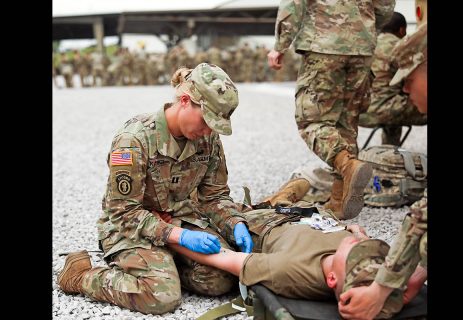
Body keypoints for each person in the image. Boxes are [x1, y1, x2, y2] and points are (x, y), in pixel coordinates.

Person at [56, 63, 254, 315]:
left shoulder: (207, 138)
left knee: (219, 281)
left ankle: (164, 265)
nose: (208, 131)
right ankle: (81, 276)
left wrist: (234, 223)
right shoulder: (133, 141)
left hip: (180, 222)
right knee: (161, 298)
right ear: (184, 100)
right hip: (131, 229)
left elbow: (213, 195)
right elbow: (123, 213)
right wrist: (177, 236)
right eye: (206, 121)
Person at [267, 0, 395, 220]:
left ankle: (348, 165)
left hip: (323, 44)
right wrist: (363, 25)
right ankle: (339, 200)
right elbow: (386, 6)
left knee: (311, 120)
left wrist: (280, 45)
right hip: (362, 47)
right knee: (347, 122)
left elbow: (294, 4)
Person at [168, 204, 409, 319]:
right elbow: (409, 271)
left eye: (357, 254)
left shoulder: (289, 270)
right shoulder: (358, 254)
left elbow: (224, 257)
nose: (361, 247)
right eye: (369, 251)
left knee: (214, 274)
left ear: (332, 278)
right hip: (314, 214)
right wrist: (355, 233)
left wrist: (171, 234)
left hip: (267, 222)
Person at [338, 23, 428, 320]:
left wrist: (380, 289)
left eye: (409, 79)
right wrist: (415, 273)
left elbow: (422, 216)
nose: (403, 88)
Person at [359, 12, 427, 145]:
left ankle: (389, 152)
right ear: (401, 30)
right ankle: (391, 150)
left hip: (362, 112)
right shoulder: (399, 48)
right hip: (386, 111)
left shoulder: (368, 45)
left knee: (395, 99)